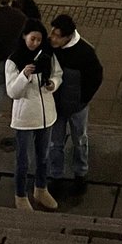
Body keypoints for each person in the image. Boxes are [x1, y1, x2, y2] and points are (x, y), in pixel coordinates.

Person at [5, 19, 62, 211]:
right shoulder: (13, 60)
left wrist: (52, 84)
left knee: (43, 156)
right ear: (24, 37)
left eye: (39, 39)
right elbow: (12, 92)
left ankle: (40, 188)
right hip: (25, 118)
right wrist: (23, 76)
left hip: (46, 114)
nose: (36, 43)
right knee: (23, 160)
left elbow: (57, 74)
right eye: (32, 39)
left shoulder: (46, 56)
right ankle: (20, 195)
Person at [48, 13, 104, 192]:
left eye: (57, 36)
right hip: (55, 106)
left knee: (79, 140)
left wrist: (82, 100)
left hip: (76, 107)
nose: (53, 38)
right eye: (52, 33)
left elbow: (96, 77)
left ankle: (80, 173)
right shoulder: (51, 48)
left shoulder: (85, 52)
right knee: (55, 143)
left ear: (68, 37)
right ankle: (56, 175)